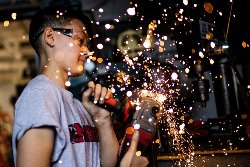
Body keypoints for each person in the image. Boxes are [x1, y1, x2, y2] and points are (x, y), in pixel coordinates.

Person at [12, 6, 148, 167]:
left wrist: (103, 121)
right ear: (50, 37)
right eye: (80, 40)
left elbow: (106, 164)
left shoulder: (76, 105)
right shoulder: (40, 96)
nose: (86, 51)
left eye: (87, 44)